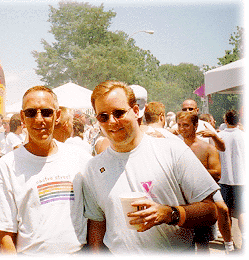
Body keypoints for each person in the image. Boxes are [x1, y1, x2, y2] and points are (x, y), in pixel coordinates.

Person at [82, 81, 219, 254]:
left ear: (136, 111)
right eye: (103, 116)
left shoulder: (172, 150)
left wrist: (170, 214)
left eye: (119, 113)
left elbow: (211, 211)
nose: (112, 121)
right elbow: (97, 224)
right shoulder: (94, 168)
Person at [0, 85, 91, 255]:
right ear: (22, 117)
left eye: (46, 112)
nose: (39, 119)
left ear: (57, 116)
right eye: (31, 113)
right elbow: (4, 233)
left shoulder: (80, 158)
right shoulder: (7, 165)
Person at [177, 111, 234, 253]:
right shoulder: (175, 146)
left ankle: (229, 246)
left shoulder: (208, 148)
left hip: (204, 194)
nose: (182, 128)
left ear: (195, 126)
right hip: (182, 194)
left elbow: (217, 173)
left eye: (186, 125)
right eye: (179, 125)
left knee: (223, 210)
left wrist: (193, 171)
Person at [217, 110, 245, 249]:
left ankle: (229, 243)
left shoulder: (219, 136)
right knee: (242, 212)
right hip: (242, 179)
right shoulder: (244, 136)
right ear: (238, 119)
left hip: (224, 179)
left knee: (225, 212)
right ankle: (245, 240)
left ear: (225, 120)